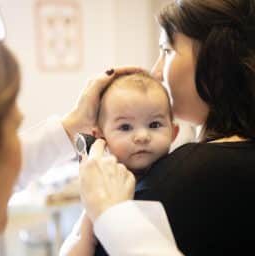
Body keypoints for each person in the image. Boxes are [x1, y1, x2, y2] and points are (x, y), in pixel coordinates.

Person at [67, 0, 255, 255]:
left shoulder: (177, 180)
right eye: (124, 127)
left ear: (214, 58)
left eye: (166, 50)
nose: (155, 72)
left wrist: (106, 211)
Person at [60, 72, 179, 255]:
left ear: (173, 132)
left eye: (154, 125)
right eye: (125, 127)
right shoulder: (103, 189)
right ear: (100, 137)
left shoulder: (182, 176)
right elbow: (75, 248)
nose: (142, 136)